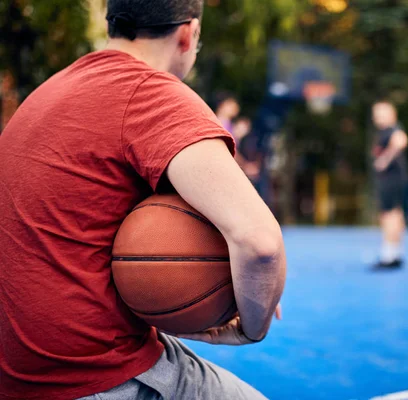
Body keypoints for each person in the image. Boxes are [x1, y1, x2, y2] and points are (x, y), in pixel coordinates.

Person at [0, 1, 286, 399]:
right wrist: (249, 328)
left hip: (17, 373)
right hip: (88, 375)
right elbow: (260, 243)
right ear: (189, 34)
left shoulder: (49, 92)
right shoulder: (151, 94)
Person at [371, 101, 408, 269]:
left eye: (381, 112)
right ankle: (395, 253)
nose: (377, 117)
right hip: (395, 179)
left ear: (392, 114)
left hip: (393, 179)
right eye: (376, 113)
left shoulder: (394, 130)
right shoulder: (384, 132)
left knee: (390, 215)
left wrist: (384, 160)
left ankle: (389, 255)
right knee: (394, 214)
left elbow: (401, 141)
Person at [232, 117, 261, 185]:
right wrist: (246, 166)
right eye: (240, 127)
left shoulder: (238, 141)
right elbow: (232, 152)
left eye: (244, 129)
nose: (241, 131)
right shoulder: (230, 134)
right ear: (235, 125)